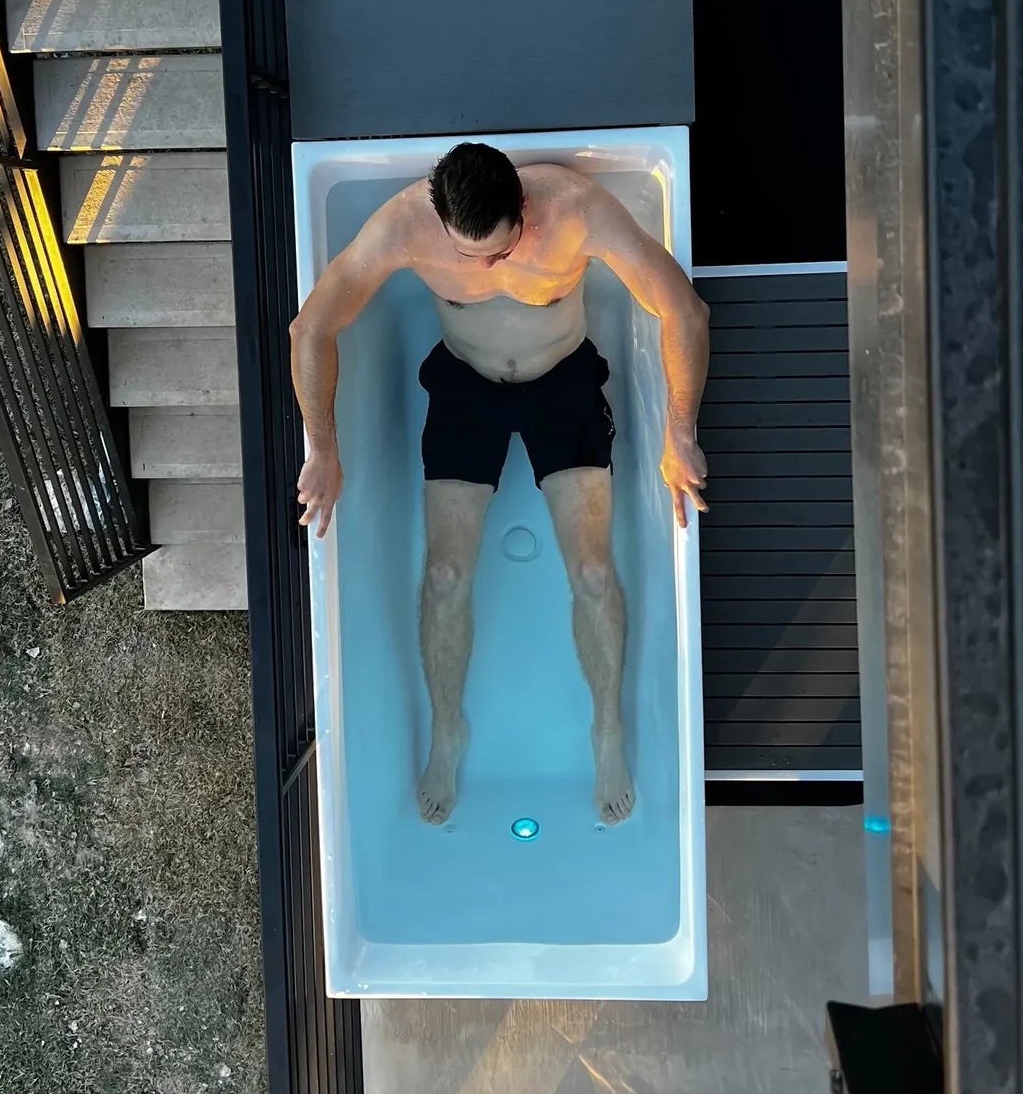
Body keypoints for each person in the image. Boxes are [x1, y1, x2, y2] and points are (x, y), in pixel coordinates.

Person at [289, 142, 710, 826]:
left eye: (502, 252)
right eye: (470, 259)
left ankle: (607, 728)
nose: (487, 269)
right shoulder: (405, 226)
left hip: (563, 381)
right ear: (439, 214)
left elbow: (683, 309)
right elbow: (312, 326)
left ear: (521, 207)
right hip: (465, 385)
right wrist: (322, 448)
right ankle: (448, 726)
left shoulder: (574, 210)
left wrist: (680, 430)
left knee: (595, 572)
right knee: (446, 576)